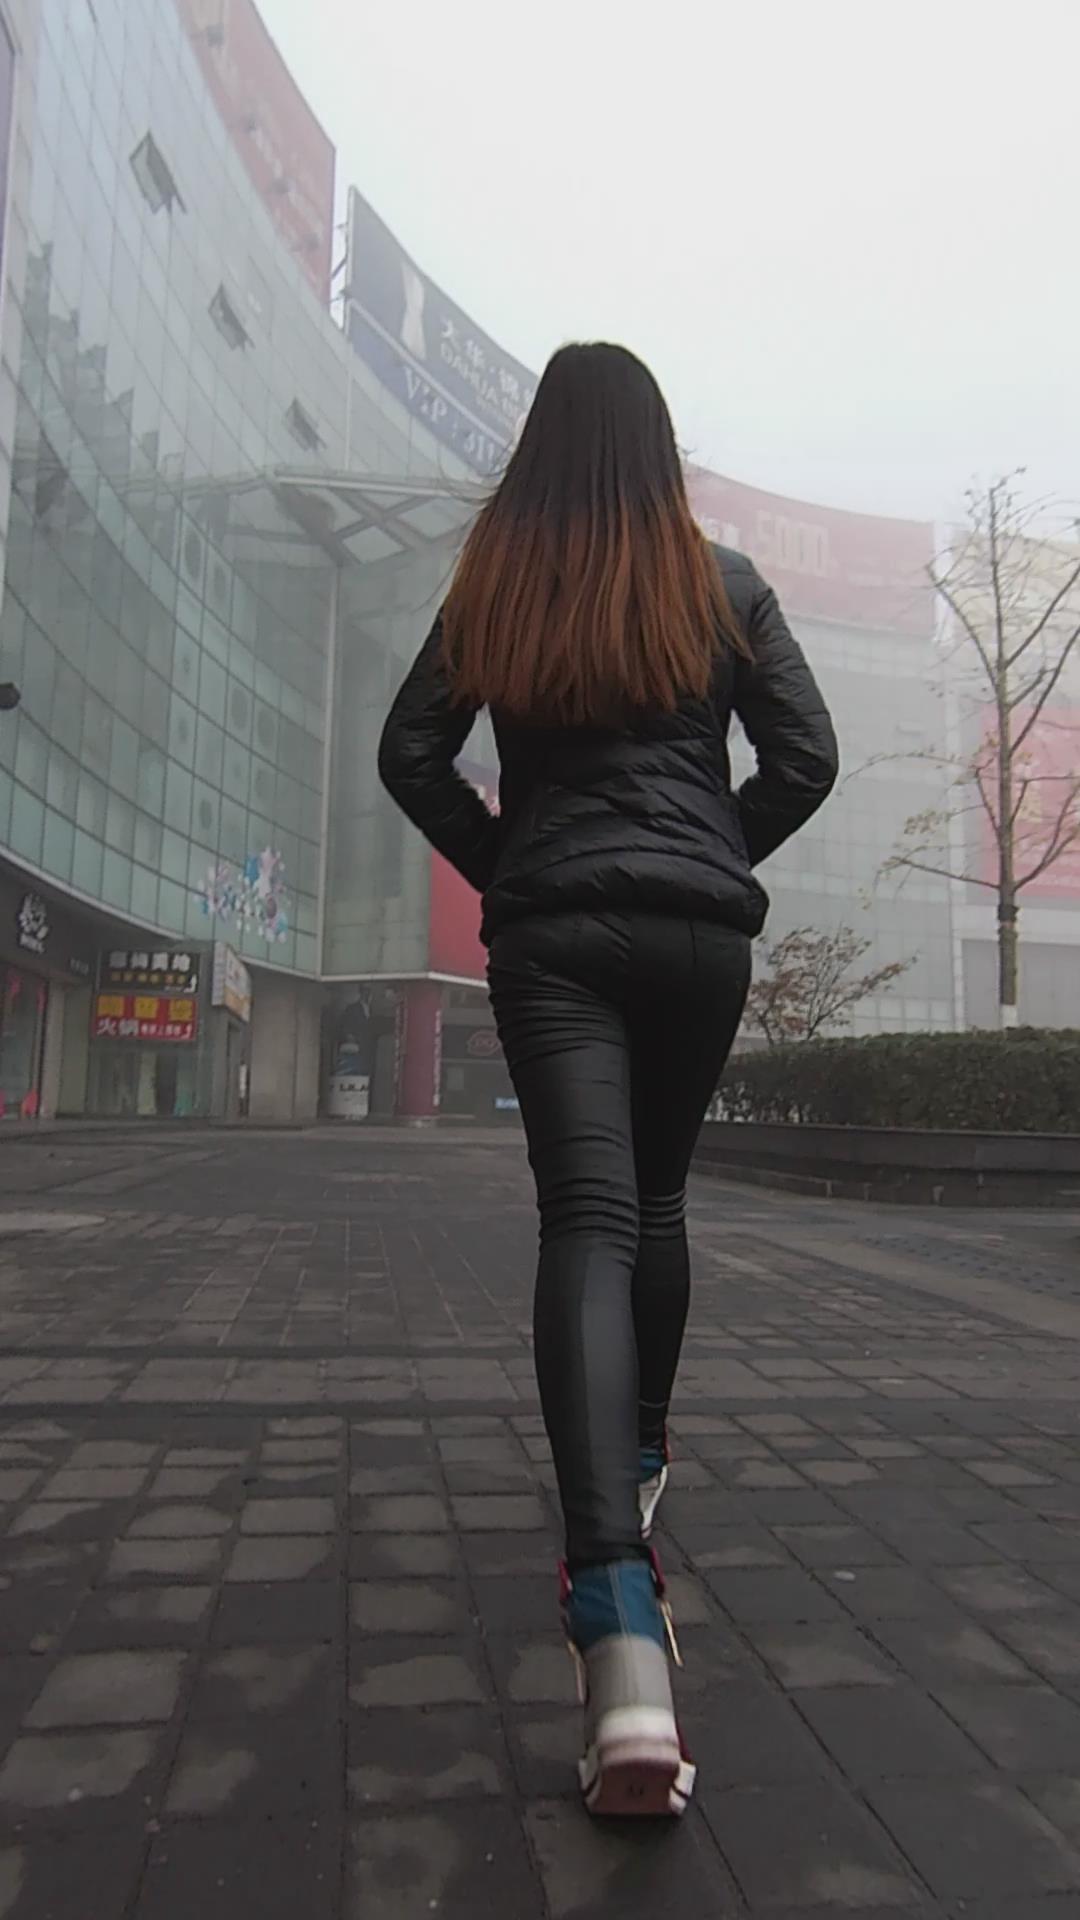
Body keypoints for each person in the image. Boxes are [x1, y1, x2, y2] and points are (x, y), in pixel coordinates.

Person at [379, 342, 838, 1816]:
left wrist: (518, 863)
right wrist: (702, 852)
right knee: (657, 1202)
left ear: (540, 447)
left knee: (587, 1217)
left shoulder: (499, 582)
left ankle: (618, 1624)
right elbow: (807, 759)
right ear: (658, 449)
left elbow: (410, 754)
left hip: (557, 936)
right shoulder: (725, 583)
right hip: (699, 941)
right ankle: (637, 1457)